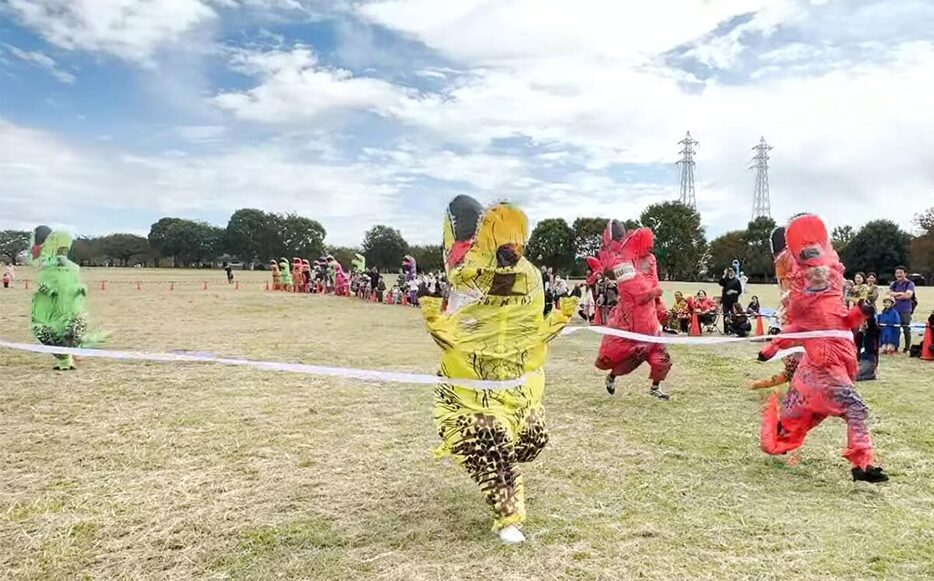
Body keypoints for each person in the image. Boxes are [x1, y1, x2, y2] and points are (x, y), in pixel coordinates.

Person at [419, 194, 577, 544]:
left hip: (517, 386)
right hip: (470, 390)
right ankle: (508, 516)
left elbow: (531, 321)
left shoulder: (529, 276)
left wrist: (556, 319)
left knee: (532, 440)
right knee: (487, 436)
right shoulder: (467, 274)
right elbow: (458, 324)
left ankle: (506, 460)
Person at [757, 214, 887, 483]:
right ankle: (862, 464)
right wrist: (770, 350)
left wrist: (862, 312)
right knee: (856, 408)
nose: (820, 272)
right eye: (814, 271)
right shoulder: (804, 307)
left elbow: (844, 322)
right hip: (823, 367)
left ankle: (782, 434)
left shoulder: (831, 299)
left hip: (825, 368)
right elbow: (794, 330)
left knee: (797, 420)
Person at [587, 219, 672, 400]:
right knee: (629, 358)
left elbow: (654, 282)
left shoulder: (650, 259)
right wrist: (652, 293)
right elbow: (632, 292)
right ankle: (611, 377)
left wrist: (659, 304)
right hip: (629, 320)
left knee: (661, 357)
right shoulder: (621, 262)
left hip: (649, 319)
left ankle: (655, 387)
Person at [29, 226, 104, 370]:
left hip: (66, 300)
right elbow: (38, 261)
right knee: (47, 330)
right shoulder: (46, 260)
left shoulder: (69, 266)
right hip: (49, 302)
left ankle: (70, 353)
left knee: (70, 328)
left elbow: (71, 270)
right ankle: (66, 357)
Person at [888, 266, 916, 353]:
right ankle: (895, 347)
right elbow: (889, 293)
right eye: (897, 273)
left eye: (901, 273)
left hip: (905, 310)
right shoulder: (894, 284)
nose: (898, 275)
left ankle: (907, 348)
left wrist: (895, 295)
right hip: (894, 310)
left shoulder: (910, 283)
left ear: (905, 274)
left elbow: (908, 295)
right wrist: (900, 294)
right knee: (895, 329)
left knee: (906, 329)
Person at [719, 267, 742, 334]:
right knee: (725, 315)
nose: (730, 273)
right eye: (729, 272)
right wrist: (724, 274)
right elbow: (720, 283)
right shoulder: (726, 280)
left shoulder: (736, 281)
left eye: (731, 271)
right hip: (725, 301)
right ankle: (726, 330)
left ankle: (733, 329)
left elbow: (739, 291)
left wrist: (733, 291)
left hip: (733, 301)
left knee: (733, 315)